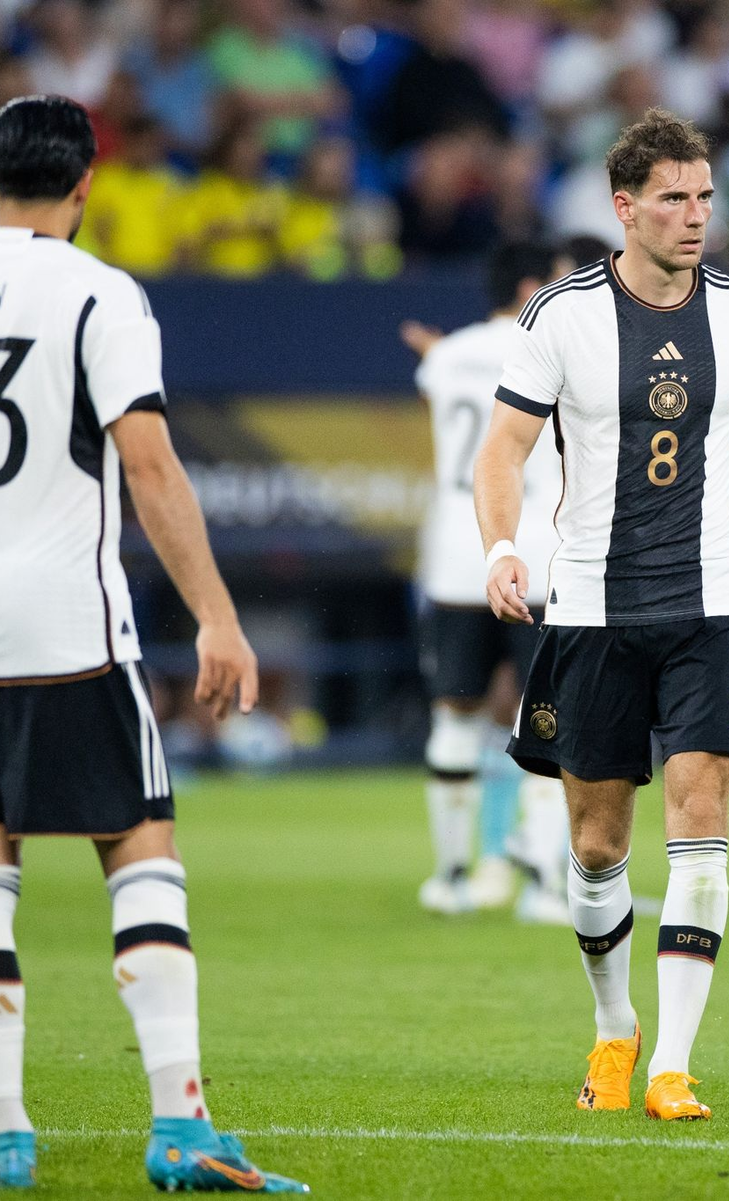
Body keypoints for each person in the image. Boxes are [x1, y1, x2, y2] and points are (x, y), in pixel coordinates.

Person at [0, 96, 305, 1193]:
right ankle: (181, 1127)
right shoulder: (99, 291)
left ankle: (6, 1138)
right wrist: (218, 614)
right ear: (86, 188)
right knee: (140, 850)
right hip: (69, 625)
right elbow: (150, 463)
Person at [475, 107, 729, 1121]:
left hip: (711, 603)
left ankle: (675, 1063)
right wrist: (501, 545)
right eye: (674, 198)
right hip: (590, 609)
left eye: (704, 197)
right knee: (599, 847)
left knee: (701, 817)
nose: (697, 215)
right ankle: (615, 1029)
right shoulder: (561, 316)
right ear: (625, 207)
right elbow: (501, 453)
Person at [411, 238, 572, 923]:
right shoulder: (557, 346)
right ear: (533, 284)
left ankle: (451, 876)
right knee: (548, 721)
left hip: (455, 557)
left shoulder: (446, 357)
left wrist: (436, 352)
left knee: (454, 716)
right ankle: (542, 885)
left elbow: (448, 384)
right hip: (536, 551)